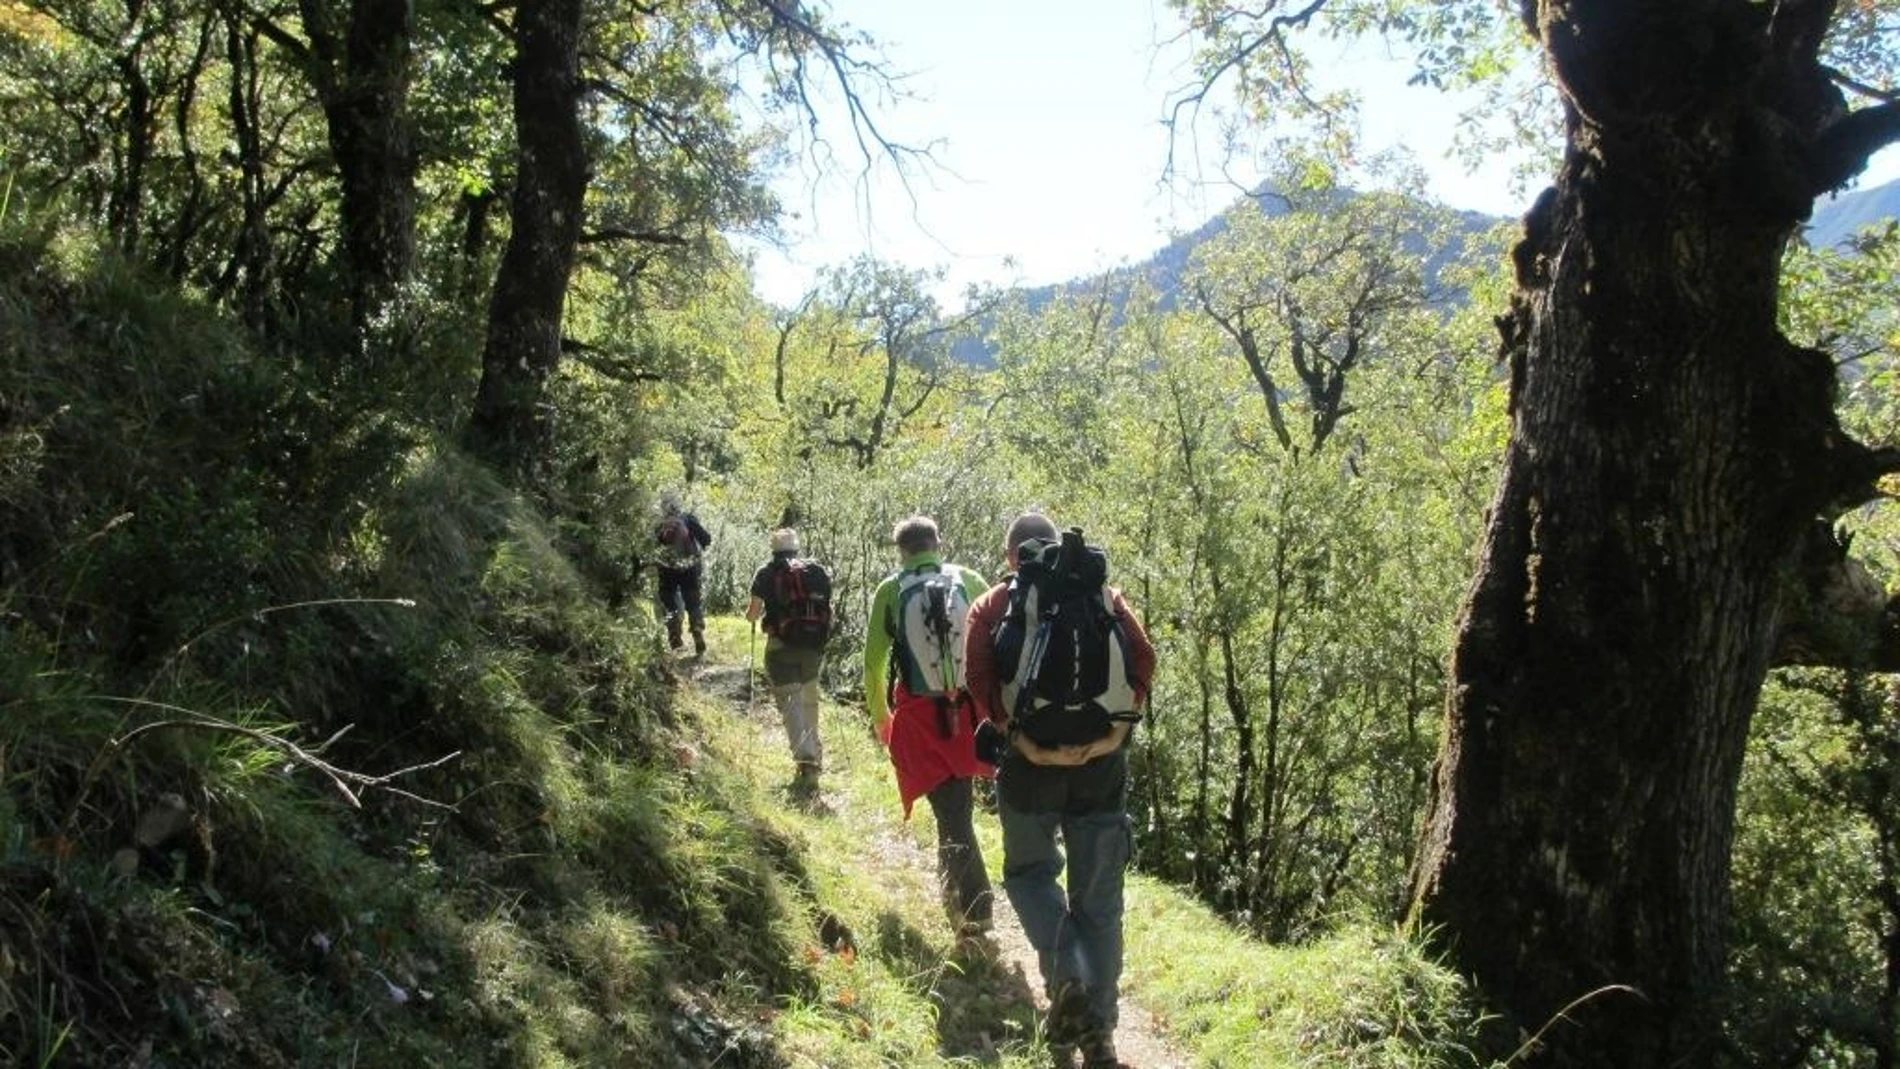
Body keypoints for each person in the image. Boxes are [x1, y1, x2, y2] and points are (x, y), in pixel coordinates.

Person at [964, 512, 1156, 1069]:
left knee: (1029, 876)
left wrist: (1019, 738)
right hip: (1101, 767)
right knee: (1100, 903)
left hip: (1027, 769)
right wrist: (1114, 733)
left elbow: (978, 679)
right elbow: (1143, 660)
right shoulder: (1106, 596)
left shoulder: (995, 605)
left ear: (1011, 557)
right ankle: (1101, 1036)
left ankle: (1066, 970)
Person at [863, 515, 996, 937]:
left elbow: (873, 664)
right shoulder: (970, 579)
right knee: (955, 805)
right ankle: (952, 888)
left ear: (901, 551)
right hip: (973, 712)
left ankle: (977, 905)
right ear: (938, 543)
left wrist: (881, 718)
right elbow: (995, 644)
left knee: (952, 810)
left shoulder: (891, 590)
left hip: (922, 716)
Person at [744, 528, 832, 796]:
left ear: (773, 548)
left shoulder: (766, 572)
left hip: (781, 645)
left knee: (790, 701)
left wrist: (752, 617)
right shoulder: (815, 571)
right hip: (813, 647)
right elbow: (829, 607)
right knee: (809, 700)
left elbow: (753, 614)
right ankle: (815, 753)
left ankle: (805, 758)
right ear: (796, 547)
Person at [654, 494, 712, 655]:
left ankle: (674, 637)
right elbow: (707, 539)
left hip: (666, 570)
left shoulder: (659, 524)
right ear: (678, 505)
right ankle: (697, 629)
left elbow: (650, 547)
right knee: (693, 603)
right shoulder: (688, 519)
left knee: (670, 604)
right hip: (690, 568)